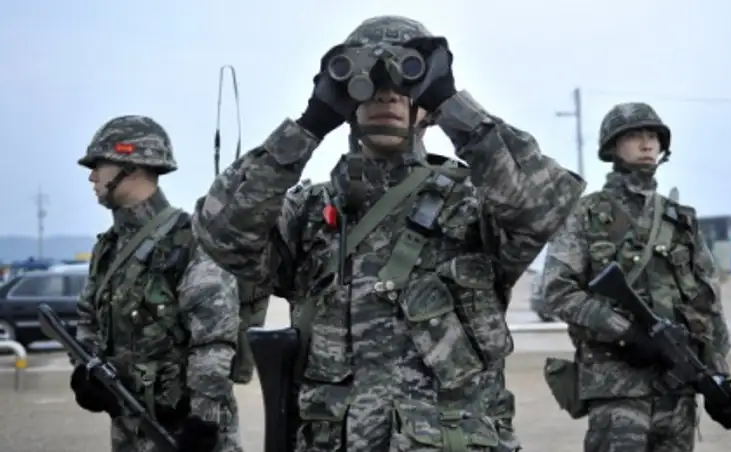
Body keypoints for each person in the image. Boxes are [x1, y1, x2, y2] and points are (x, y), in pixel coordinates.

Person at [194, 15, 585, 452]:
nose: (387, 94)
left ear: (428, 103)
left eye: (406, 81)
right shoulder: (308, 214)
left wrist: (453, 105)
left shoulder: (476, 208)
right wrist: (309, 125)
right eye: (371, 84)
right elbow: (221, 231)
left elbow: (546, 207)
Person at [541, 102, 731, 451]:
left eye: (653, 136)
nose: (647, 144)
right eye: (635, 136)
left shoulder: (681, 220)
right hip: (617, 388)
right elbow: (558, 292)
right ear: (612, 146)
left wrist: (717, 377)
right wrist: (628, 333)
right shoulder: (585, 213)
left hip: (677, 390)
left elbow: (708, 302)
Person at [72, 115, 244, 452]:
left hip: (187, 434)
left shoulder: (189, 239)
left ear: (131, 166)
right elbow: (88, 319)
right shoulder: (108, 247)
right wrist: (85, 372)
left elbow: (213, 343)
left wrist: (204, 422)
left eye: (98, 165)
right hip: (130, 429)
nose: (92, 176)